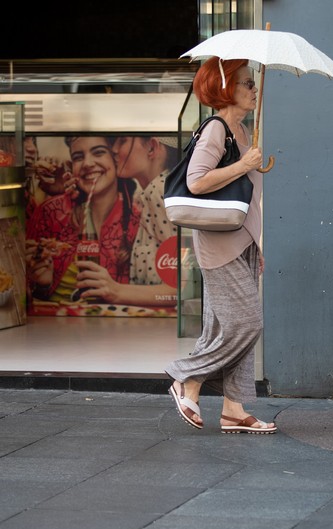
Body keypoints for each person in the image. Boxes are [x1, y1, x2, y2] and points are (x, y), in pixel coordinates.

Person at [165, 57, 275, 434]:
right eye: (247, 83)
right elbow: (196, 182)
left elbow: (249, 202)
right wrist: (244, 165)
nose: (254, 89)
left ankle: (233, 409)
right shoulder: (216, 129)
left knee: (219, 328)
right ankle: (186, 378)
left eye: (253, 82)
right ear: (226, 88)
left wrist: (257, 245)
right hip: (218, 244)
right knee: (247, 323)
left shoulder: (243, 131)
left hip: (242, 241)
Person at [25, 136, 139, 304]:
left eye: (99, 152)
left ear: (116, 159)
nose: (87, 163)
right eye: (78, 157)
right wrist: (41, 285)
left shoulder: (138, 218)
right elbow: (24, 296)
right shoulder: (50, 212)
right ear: (72, 167)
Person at [111, 135, 178, 306]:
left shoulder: (159, 191)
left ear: (152, 148)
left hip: (161, 329)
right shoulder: (152, 192)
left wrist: (114, 291)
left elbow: (179, 288)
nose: (114, 150)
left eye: (123, 140)